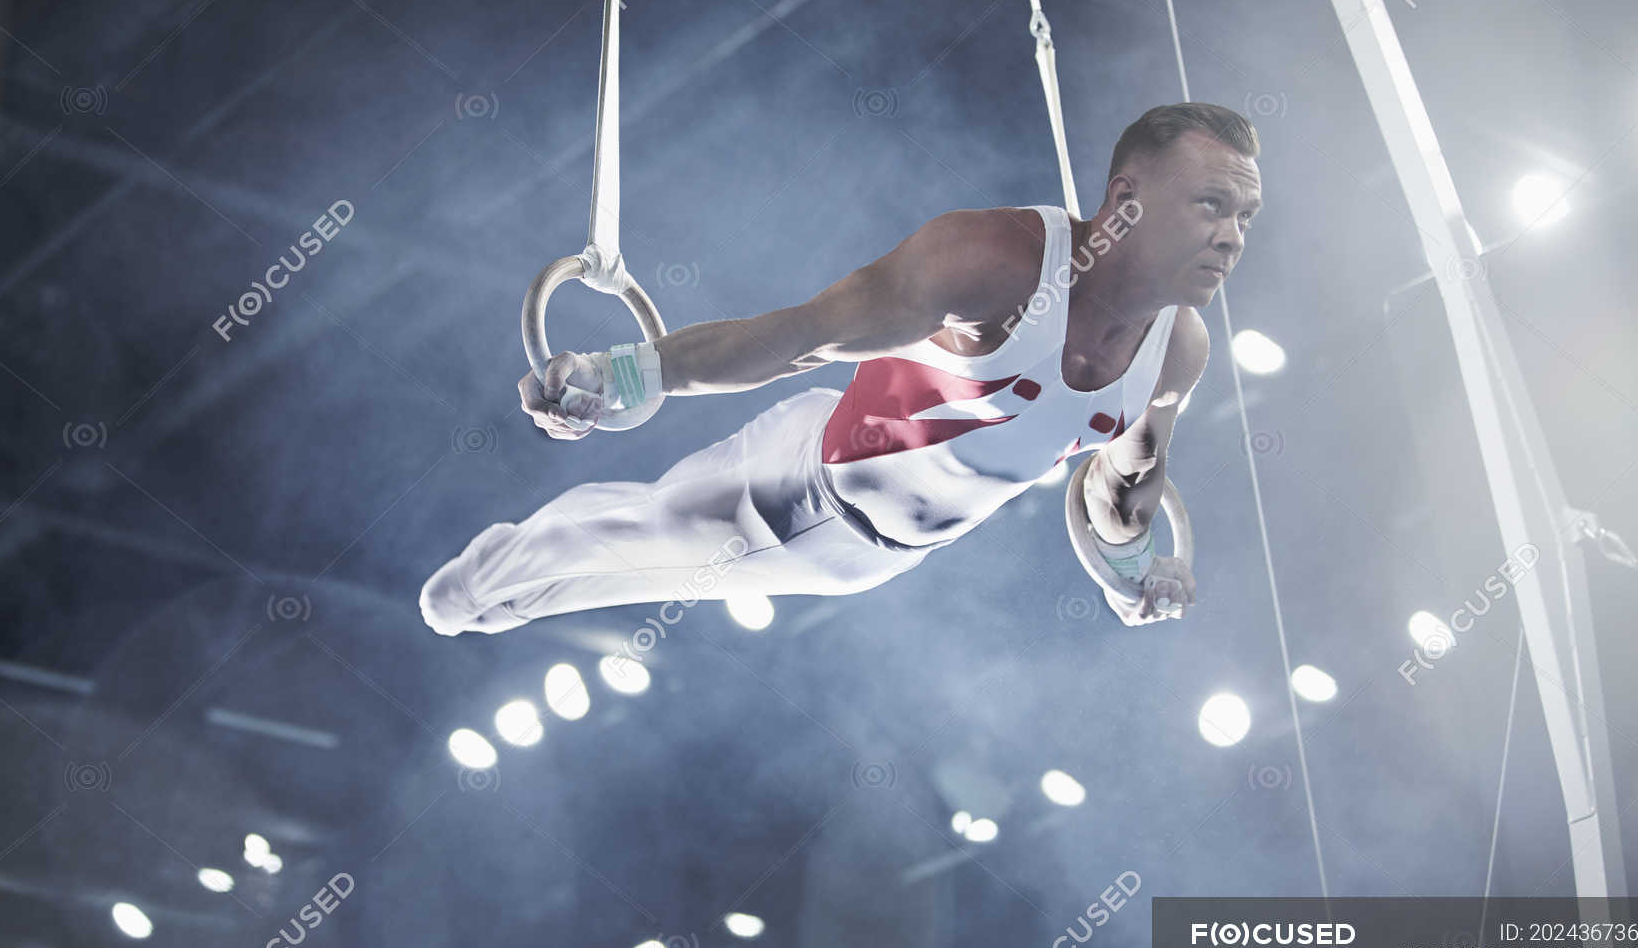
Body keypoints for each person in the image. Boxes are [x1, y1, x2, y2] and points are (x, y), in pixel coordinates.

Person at [419, 102, 1261, 636]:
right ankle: (465, 591)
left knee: (631, 573)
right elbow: (800, 336)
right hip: (798, 480)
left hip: (874, 559)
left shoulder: (1177, 353)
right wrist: (620, 376)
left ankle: (493, 604)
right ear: (1127, 200)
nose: (1232, 235)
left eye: (1245, 215)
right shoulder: (997, 260)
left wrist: (1132, 579)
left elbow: (1122, 491)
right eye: (1211, 204)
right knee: (618, 539)